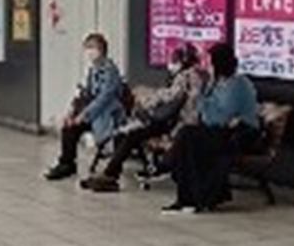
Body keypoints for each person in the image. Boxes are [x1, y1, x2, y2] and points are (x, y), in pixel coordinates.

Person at [82, 44, 206, 193]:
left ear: (184, 61)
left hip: (176, 123)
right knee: (130, 133)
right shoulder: (193, 75)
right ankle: (110, 174)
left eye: (174, 60)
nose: (171, 64)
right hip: (173, 121)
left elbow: (171, 98)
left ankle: (110, 175)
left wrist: (147, 101)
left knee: (132, 134)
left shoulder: (187, 77)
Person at [165, 43, 260, 214]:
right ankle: (187, 198)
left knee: (188, 137)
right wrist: (204, 100)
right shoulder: (216, 83)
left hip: (240, 135)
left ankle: (187, 191)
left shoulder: (237, 85)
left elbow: (219, 118)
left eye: (210, 63)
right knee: (188, 137)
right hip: (220, 132)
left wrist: (201, 99)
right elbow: (209, 117)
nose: (207, 66)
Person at [45, 33, 124, 181]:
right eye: (87, 48)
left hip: (106, 115)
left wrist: (83, 116)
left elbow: (103, 99)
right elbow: (85, 94)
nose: (89, 51)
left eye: (92, 47)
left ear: (102, 49)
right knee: (69, 127)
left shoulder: (111, 71)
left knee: (77, 124)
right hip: (92, 114)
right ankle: (67, 163)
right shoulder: (92, 70)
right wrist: (72, 111)